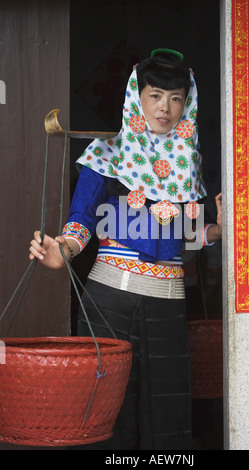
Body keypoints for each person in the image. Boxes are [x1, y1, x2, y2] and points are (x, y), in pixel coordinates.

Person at [29, 48, 222, 450]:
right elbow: (82, 219)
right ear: (137, 95)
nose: (164, 108)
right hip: (109, 300)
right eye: (155, 95)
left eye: (175, 98)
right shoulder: (108, 152)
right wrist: (62, 250)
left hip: (168, 304)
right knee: (106, 410)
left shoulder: (188, 163)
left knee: (167, 411)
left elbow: (184, 241)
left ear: (188, 103)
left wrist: (216, 232)